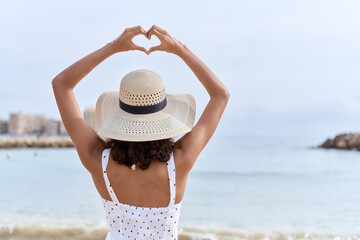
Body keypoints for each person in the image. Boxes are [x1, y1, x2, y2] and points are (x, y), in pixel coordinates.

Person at [52, 25, 229, 240]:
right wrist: (180, 49)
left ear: (120, 114)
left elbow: (61, 85)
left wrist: (112, 47)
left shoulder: (98, 159)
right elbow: (220, 95)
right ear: (164, 117)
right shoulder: (179, 162)